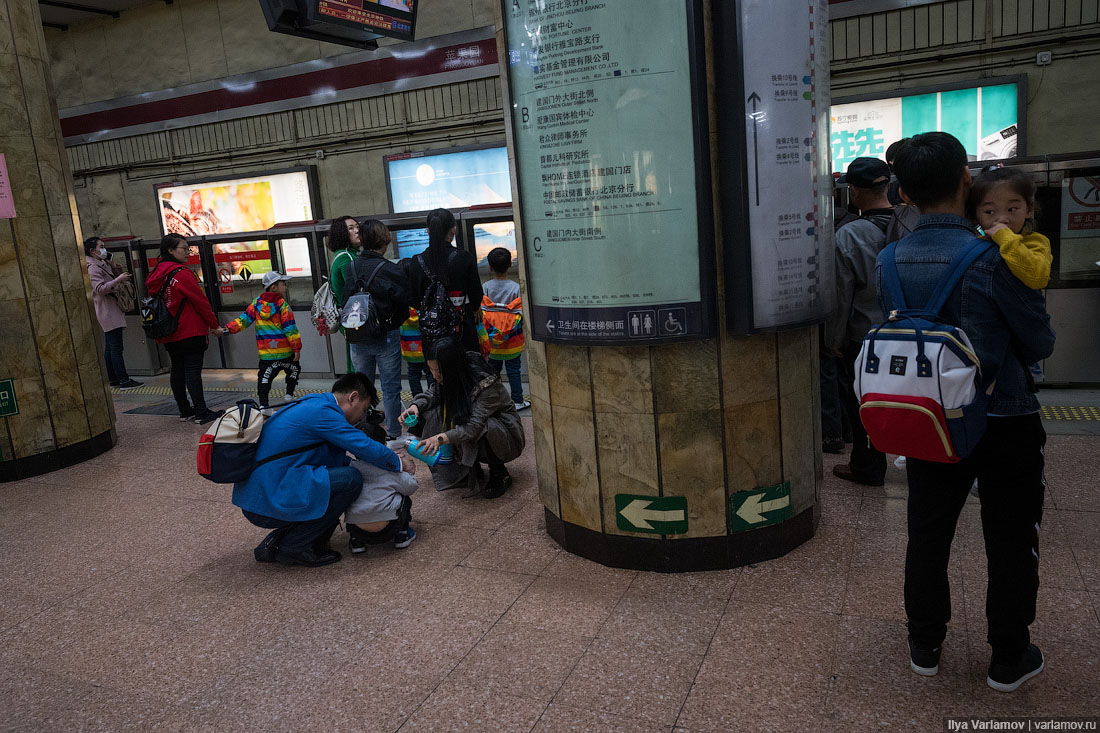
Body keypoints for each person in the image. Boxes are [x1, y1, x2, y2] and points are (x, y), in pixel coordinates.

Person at [882, 132, 1055, 692]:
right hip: (1004, 419)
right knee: (1010, 536)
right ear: (965, 180)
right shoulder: (995, 255)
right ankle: (1008, 656)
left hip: (931, 418)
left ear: (903, 192)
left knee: (928, 531)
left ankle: (925, 644)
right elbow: (1039, 341)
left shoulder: (890, 258)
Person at [233, 372, 415, 567]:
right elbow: (362, 444)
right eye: (363, 409)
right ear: (353, 397)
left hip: (261, 493)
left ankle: (280, 542)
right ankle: (295, 546)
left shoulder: (314, 403)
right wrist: (398, 463)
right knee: (350, 480)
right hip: (268, 497)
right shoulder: (324, 413)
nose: (362, 417)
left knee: (341, 472)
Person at [827, 157, 893, 487]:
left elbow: (841, 296)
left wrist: (834, 340)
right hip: (910, 335)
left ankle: (867, 467)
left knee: (863, 405)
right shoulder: (910, 224)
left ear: (853, 191)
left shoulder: (850, 235)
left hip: (865, 339)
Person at [399, 336, 524, 499]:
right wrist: (415, 406)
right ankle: (466, 469)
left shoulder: (486, 384)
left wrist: (439, 438)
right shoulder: (452, 374)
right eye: (431, 370)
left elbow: (473, 427)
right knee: (430, 411)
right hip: (471, 424)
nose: (436, 376)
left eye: (439, 371)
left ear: (452, 368)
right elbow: (434, 393)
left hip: (505, 435)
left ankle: (499, 473)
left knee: (485, 427)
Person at [342, 219, 417, 446]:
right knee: (390, 386)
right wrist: (394, 321)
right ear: (383, 241)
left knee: (359, 388)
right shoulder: (389, 269)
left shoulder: (351, 267)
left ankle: (360, 432)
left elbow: (346, 299)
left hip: (356, 336)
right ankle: (394, 433)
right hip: (385, 335)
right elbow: (406, 300)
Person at [145, 233, 224, 424]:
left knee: (177, 369)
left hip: (168, 331)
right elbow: (201, 302)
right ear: (171, 250)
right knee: (192, 371)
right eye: (184, 248)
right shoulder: (182, 273)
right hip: (190, 330)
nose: (188, 252)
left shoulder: (155, 274)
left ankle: (184, 410)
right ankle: (201, 412)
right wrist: (214, 325)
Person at [403, 208, 484, 354]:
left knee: (437, 373)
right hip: (462, 328)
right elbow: (476, 294)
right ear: (454, 229)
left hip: (431, 332)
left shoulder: (417, 261)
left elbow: (414, 299)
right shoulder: (464, 257)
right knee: (466, 369)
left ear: (428, 230)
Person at [223, 271, 302, 409]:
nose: (285, 286)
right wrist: (296, 348)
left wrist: (227, 329)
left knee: (264, 378)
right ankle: (289, 395)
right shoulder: (283, 306)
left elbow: (243, 321)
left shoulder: (256, 304)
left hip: (266, 353)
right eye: (283, 284)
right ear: (273, 287)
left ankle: (264, 405)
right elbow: (290, 329)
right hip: (286, 352)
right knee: (294, 369)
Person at [84, 236, 143, 389]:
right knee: (116, 347)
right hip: (107, 310)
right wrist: (117, 280)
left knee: (111, 346)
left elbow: (115, 276)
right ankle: (123, 379)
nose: (104, 249)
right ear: (93, 251)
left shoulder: (101, 264)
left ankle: (114, 379)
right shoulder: (93, 267)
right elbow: (100, 289)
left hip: (111, 309)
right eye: (101, 246)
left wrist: (113, 266)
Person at [481, 247, 530, 411]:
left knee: (493, 374)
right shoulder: (516, 288)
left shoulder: (485, 287)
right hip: (513, 343)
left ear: (490, 267)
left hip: (493, 342)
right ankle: (517, 401)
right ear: (510, 265)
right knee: (514, 371)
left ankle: (494, 401)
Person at [327, 216, 362, 374]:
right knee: (358, 363)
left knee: (355, 360)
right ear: (342, 233)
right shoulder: (346, 257)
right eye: (351, 228)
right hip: (353, 316)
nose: (357, 231)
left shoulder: (344, 255)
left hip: (348, 317)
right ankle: (358, 394)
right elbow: (357, 289)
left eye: (357, 226)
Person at [400, 307, 435, 398]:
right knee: (430, 372)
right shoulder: (425, 306)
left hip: (410, 349)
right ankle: (432, 396)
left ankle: (417, 398)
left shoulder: (405, 309)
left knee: (413, 374)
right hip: (426, 346)